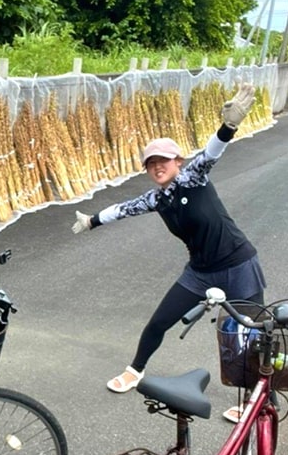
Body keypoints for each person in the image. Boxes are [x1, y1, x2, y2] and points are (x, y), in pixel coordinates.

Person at [72, 83, 266, 421]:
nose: (158, 166)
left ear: (178, 161)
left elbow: (212, 152)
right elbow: (123, 209)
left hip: (238, 264)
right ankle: (135, 370)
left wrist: (229, 125)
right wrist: (92, 220)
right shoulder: (156, 198)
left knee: (250, 332)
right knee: (158, 322)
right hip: (200, 272)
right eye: (151, 163)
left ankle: (259, 397)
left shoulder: (193, 177)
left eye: (164, 160)